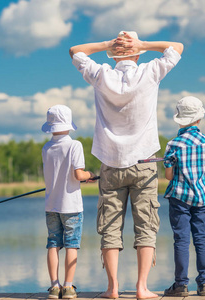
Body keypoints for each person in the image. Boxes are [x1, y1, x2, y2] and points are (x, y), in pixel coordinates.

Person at [69, 31, 184, 299]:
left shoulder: (101, 75)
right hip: (143, 162)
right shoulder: (151, 71)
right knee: (146, 226)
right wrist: (143, 45)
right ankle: (142, 288)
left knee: (110, 227)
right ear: (136, 53)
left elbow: (75, 50)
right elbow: (177, 47)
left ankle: (113, 288)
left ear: (114, 54)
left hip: (110, 162)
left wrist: (108, 45)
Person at [41, 104, 97, 299]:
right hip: (71, 206)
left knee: (53, 244)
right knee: (72, 244)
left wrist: (80, 177)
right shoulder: (75, 145)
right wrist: (90, 174)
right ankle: (68, 287)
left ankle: (54, 286)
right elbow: (78, 174)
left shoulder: (46, 147)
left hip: (51, 204)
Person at [162, 96, 205, 297]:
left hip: (179, 197)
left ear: (180, 120)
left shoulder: (173, 144)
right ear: (198, 119)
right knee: (201, 239)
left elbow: (168, 176)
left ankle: (181, 284)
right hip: (201, 197)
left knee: (181, 240)